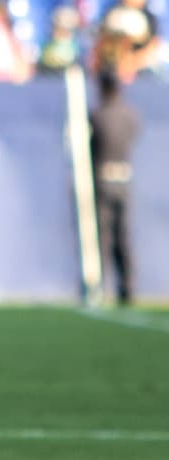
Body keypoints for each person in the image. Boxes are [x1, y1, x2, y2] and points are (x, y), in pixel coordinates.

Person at [90, 73, 140, 305]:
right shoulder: (130, 116)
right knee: (122, 235)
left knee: (103, 235)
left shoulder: (97, 115)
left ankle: (99, 286)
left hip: (102, 178)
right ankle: (127, 287)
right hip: (124, 177)